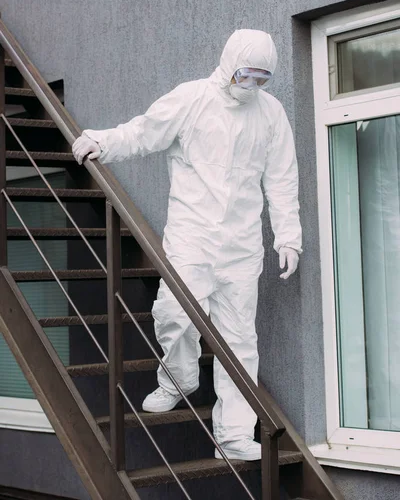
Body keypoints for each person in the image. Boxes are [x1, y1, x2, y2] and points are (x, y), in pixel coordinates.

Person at [72, 29, 302, 461]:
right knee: (174, 316)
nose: (252, 86)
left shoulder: (271, 115)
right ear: (229, 64)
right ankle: (177, 379)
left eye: (262, 78)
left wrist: (288, 236)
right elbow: (145, 132)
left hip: (242, 247)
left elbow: (282, 179)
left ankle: (234, 436)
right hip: (192, 240)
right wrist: (103, 141)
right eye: (246, 75)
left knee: (239, 342)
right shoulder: (193, 99)